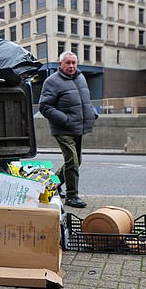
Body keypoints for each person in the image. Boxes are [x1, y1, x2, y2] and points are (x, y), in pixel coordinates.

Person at [38, 51, 98, 208]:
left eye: (74, 63)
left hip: (78, 127)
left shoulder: (80, 77)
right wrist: (65, 120)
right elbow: (44, 107)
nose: (71, 66)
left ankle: (52, 185)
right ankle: (72, 196)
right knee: (72, 160)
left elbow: (85, 100)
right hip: (63, 128)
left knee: (76, 161)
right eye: (68, 63)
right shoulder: (52, 81)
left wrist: (92, 112)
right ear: (60, 64)